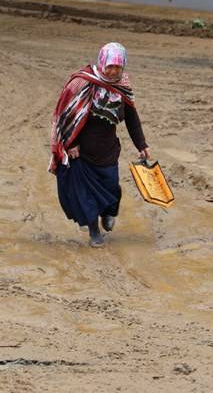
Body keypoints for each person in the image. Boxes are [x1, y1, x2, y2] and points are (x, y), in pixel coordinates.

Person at [49, 42, 151, 247]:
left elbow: (132, 117)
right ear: (102, 63)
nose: (113, 71)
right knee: (86, 197)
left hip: (108, 153)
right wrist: (71, 144)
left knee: (112, 190)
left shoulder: (122, 87)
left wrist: (142, 145)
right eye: (110, 66)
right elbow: (67, 117)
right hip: (82, 154)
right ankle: (94, 232)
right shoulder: (82, 83)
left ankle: (108, 213)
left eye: (118, 67)